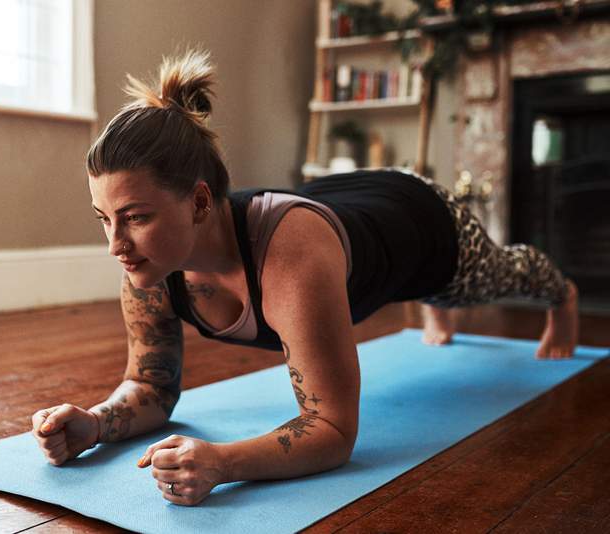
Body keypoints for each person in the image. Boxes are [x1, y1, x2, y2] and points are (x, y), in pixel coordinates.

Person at [30, 49, 579, 506]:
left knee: (495, 278)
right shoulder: (149, 266)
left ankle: (563, 295)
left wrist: (221, 462)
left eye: (136, 217)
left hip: (420, 218)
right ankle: (432, 304)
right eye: (105, 219)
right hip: (350, 210)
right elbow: (150, 386)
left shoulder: (290, 255)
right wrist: (95, 424)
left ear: (199, 201)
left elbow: (334, 430)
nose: (115, 245)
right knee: (427, 293)